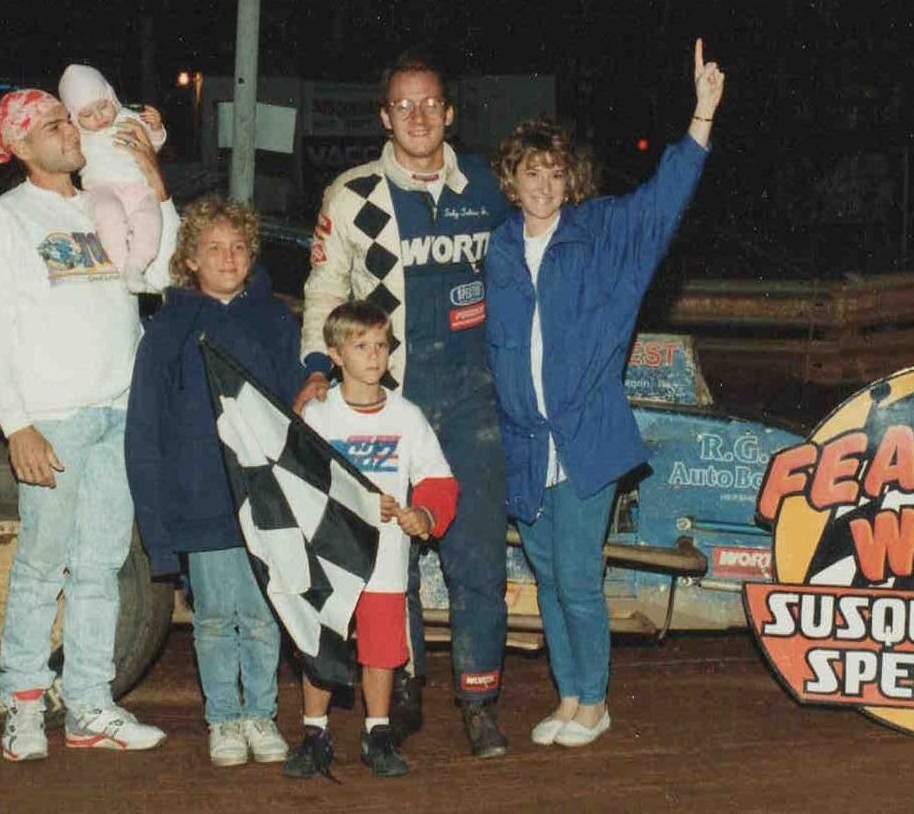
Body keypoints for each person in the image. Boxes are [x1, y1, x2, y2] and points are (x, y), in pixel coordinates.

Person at [484, 39, 724, 748]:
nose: (544, 185)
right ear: (512, 179)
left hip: (584, 438)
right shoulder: (495, 248)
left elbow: (661, 203)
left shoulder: (600, 233)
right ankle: (568, 696)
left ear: (569, 182)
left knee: (580, 578)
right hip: (523, 442)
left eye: (556, 174)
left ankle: (594, 703)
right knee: (549, 576)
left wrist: (701, 116)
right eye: (532, 173)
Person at [295, 55, 514, 757]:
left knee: (474, 557)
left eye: (430, 104)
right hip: (394, 396)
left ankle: (479, 699)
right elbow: (325, 286)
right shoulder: (351, 191)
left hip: (477, 396)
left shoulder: (490, 184)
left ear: (449, 112)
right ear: (383, 116)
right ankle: (405, 683)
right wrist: (314, 368)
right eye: (402, 106)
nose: (417, 117)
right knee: (392, 550)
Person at [0, 87, 177, 762]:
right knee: (39, 567)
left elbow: (161, 272)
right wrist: (15, 423)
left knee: (102, 566)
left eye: (66, 119)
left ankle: (88, 705)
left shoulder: (101, 201)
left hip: (119, 411)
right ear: (20, 146)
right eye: (52, 125)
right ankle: (24, 707)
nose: (68, 131)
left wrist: (152, 179)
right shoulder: (3, 220)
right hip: (52, 422)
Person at [124, 197, 301, 769]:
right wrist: (159, 526)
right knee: (216, 618)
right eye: (214, 248)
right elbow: (145, 429)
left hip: (266, 502)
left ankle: (263, 715)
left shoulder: (275, 321)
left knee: (263, 613)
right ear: (190, 260)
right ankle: (224, 718)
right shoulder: (168, 328)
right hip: (201, 503)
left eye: (239, 247)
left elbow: (297, 410)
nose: (228, 257)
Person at [291, 301, 459, 779]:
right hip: (329, 555)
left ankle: (377, 731)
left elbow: (437, 478)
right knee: (322, 641)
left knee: (382, 646)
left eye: (381, 345)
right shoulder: (321, 414)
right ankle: (314, 731)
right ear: (335, 355)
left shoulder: (406, 416)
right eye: (360, 346)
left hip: (385, 556)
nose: (373, 355)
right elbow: (297, 477)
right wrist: (355, 503)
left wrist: (424, 514)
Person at [56, 63, 169, 291]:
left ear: (111, 96)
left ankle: (136, 265)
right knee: (108, 216)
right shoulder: (78, 136)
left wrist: (156, 129)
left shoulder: (129, 118)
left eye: (103, 106)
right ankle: (120, 265)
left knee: (150, 218)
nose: (99, 117)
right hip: (101, 189)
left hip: (138, 187)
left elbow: (153, 146)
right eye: (87, 114)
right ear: (74, 118)